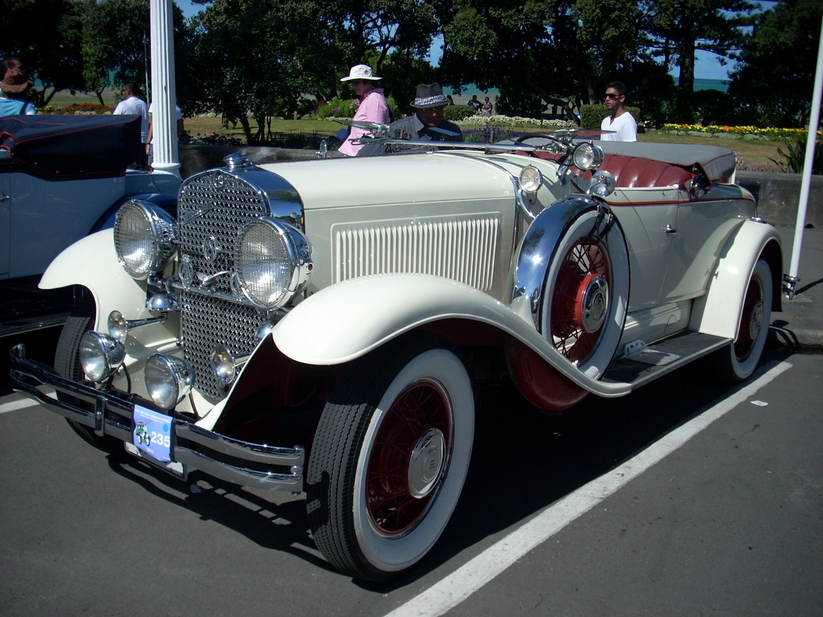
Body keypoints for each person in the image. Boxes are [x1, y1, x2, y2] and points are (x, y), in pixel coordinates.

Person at [338, 64, 390, 156]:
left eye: (357, 82)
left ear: (368, 82)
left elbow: (377, 132)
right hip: (355, 151)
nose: (354, 86)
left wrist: (364, 153)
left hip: (361, 154)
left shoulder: (374, 99)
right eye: (352, 82)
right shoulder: (368, 98)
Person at [386, 82, 463, 143]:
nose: (434, 114)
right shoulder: (395, 130)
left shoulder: (452, 131)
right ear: (418, 110)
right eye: (428, 110)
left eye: (438, 108)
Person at [113, 82, 149, 168]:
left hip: (129, 141)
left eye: (123, 90)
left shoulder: (123, 105)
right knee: (141, 167)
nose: (123, 93)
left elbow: (114, 120)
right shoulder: (143, 104)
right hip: (142, 140)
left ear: (128, 91)